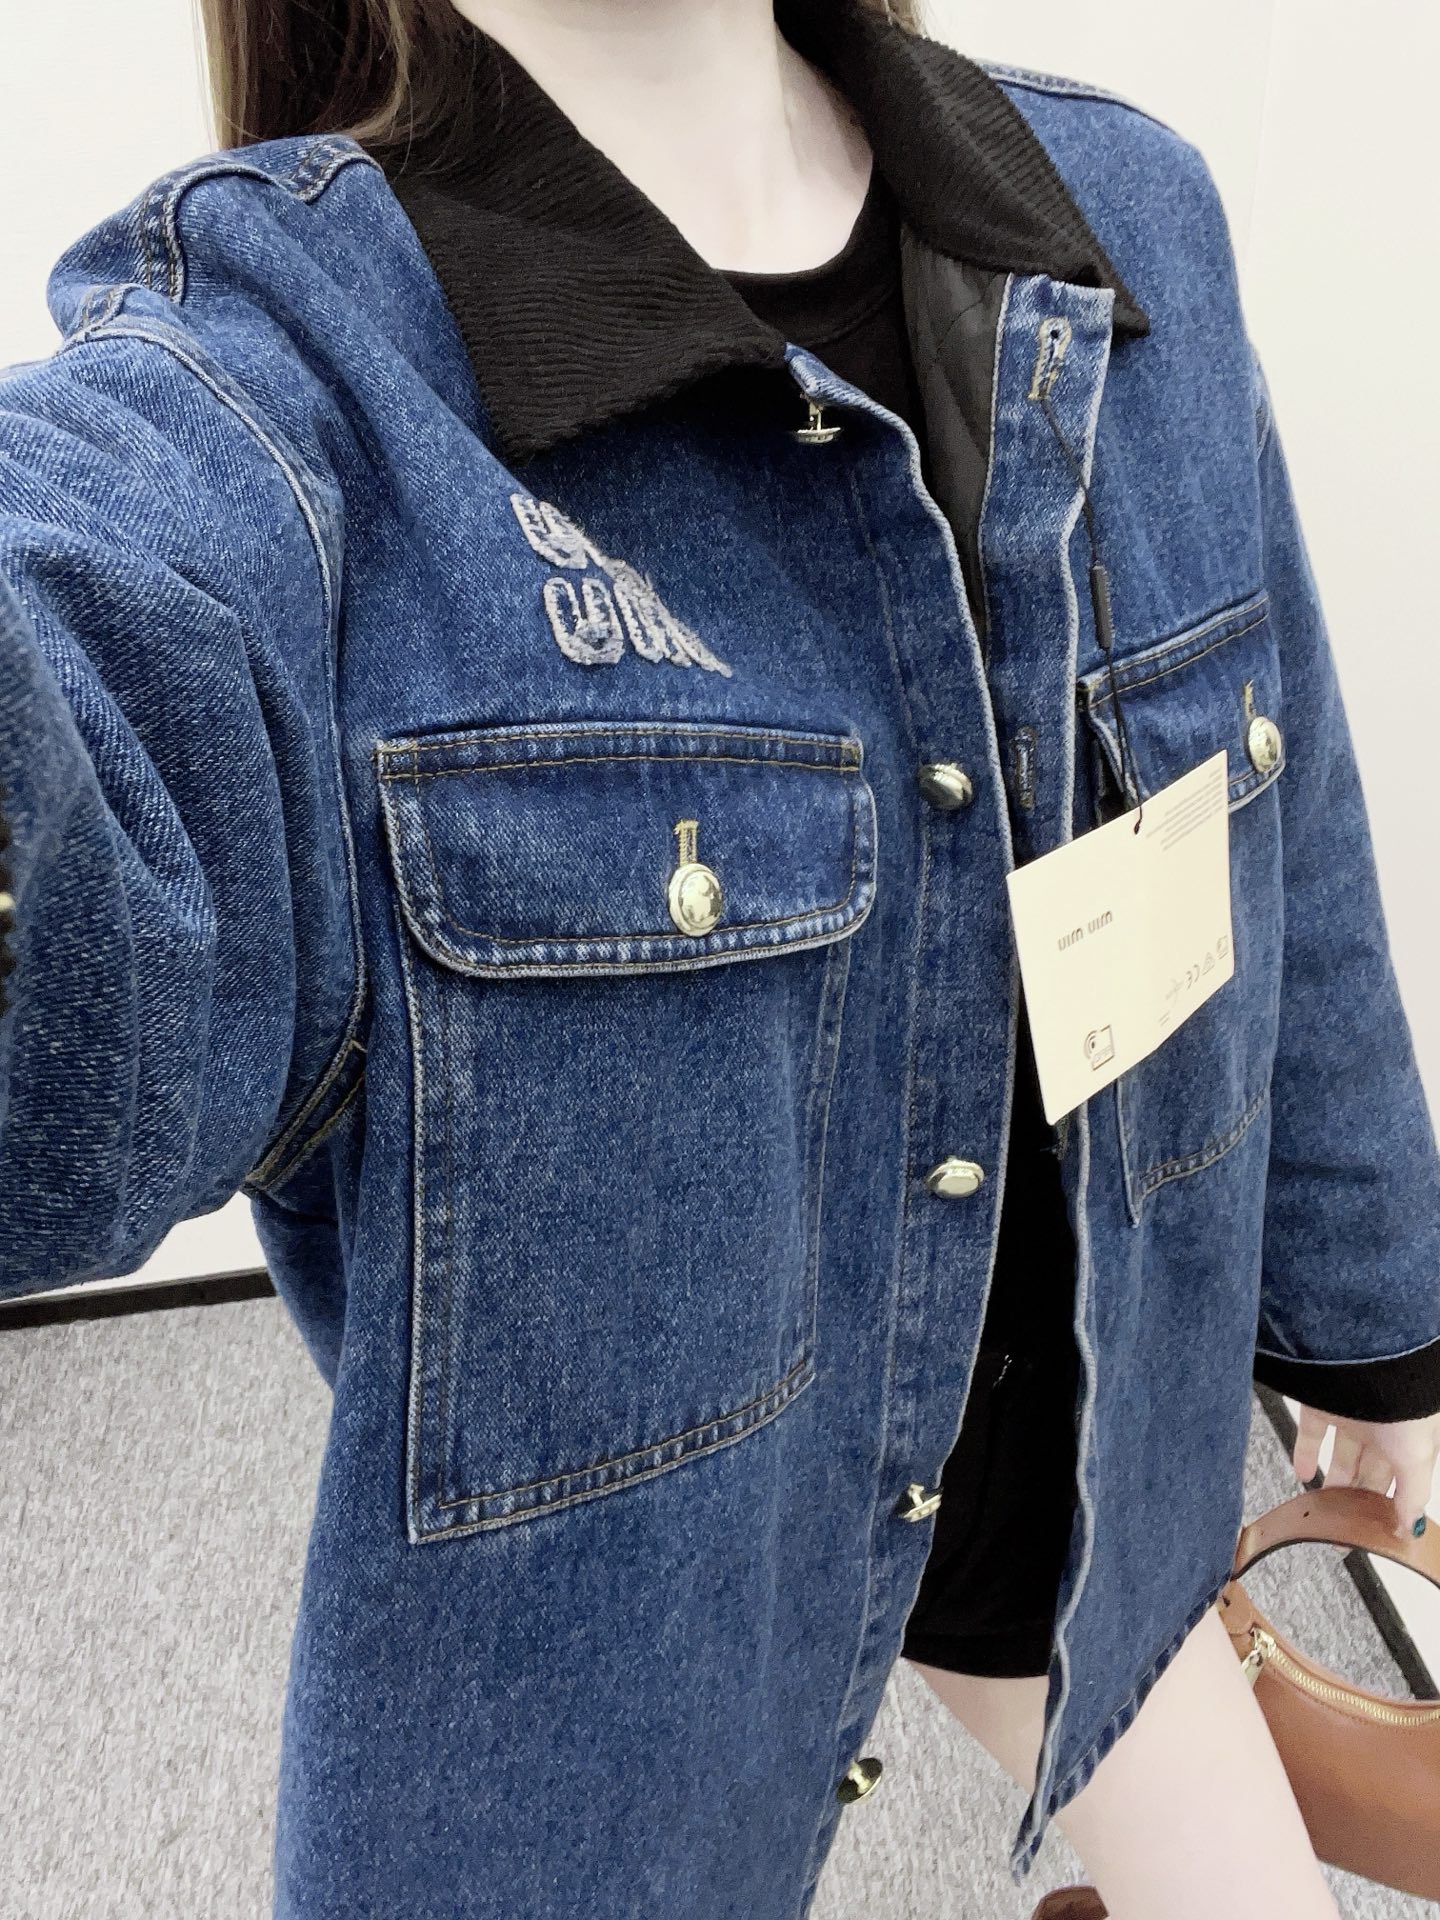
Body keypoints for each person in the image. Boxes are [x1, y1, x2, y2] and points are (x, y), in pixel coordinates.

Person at [2, 2, 1438, 1916]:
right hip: (666, 1632)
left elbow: (1288, 802)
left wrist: (1373, 1313)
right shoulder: (281, 389)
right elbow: (96, 768)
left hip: (1104, 1453)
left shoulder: (1126, 218)